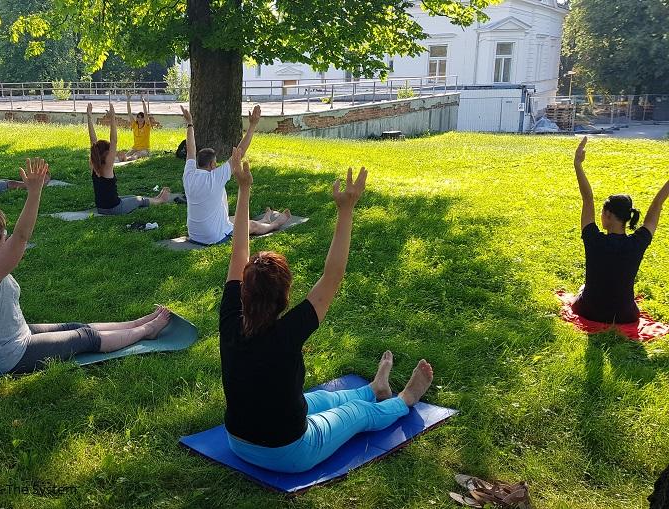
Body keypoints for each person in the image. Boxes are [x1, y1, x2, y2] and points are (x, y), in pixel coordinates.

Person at [219, 154, 434, 473]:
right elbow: (333, 275)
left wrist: (245, 188)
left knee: (322, 401)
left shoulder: (230, 318)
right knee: (358, 415)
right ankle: (404, 399)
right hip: (289, 454)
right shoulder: (288, 331)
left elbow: (239, 251)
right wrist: (346, 210)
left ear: (243, 290)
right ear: (285, 297)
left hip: (237, 442)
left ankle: (374, 389)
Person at [0, 137, 172, 374]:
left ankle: (138, 323)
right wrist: (34, 192)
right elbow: (22, 237)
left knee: (74, 326)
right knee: (85, 337)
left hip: (14, 334)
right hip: (9, 355)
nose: (7, 236)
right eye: (3, 235)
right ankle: (147, 331)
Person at [570, 136, 669, 324]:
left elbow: (587, 198)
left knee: (583, 289)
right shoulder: (638, 242)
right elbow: (657, 203)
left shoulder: (594, 240)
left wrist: (578, 164)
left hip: (589, 311)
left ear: (607, 214)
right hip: (625, 316)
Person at [181, 104, 291, 246]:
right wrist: (252, 125)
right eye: (216, 163)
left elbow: (190, 150)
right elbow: (240, 153)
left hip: (194, 234)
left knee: (233, 218)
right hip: (214, 237)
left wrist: (190, 123)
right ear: (212, 165)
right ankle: (274, 224)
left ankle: (264, 220)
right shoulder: (215, 177)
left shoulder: (188, 175)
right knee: (250, 225)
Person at [86, 102, 171, 215]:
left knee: (132, 197)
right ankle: (160, 200)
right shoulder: (107, 165)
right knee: (139, 200)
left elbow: (93, 141)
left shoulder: (94, 164)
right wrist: (112, 118)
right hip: (114, 209)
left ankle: (155, 199)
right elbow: (114, 141)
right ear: (106, 153)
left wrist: (89, 117)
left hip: (101, 207)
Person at [123, 93, 152, 160]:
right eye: (138, 117)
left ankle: (130, 159)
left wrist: (143, 101)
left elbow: (146, 113)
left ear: (144, 118)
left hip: (145, 150)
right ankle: (126, 159)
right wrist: (128, 100)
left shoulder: (146, 126)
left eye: (141, 117)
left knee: (136, 155)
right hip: (135, 148)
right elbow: (129, 113)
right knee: (126, 154)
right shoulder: (135, 125)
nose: (140, 119)